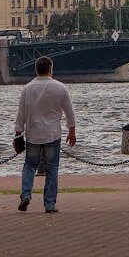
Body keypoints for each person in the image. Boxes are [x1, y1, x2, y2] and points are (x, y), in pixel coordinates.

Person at [14, 56, 77, 213]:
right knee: (52, 169)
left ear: (36, 70)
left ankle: (26, 195)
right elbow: (69, 112)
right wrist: (72, 131)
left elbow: (21, 114)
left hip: (33, 134)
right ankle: (49, 204)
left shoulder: (27, 88)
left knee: (29, 165)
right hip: (52, 134)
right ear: (51, 69)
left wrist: (18, 134)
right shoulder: (60, 88)